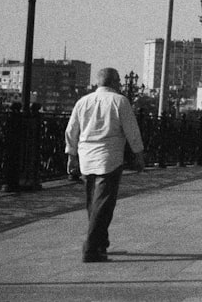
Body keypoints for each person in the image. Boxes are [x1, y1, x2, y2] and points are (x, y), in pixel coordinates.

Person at [65, 67, 145, 263]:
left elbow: (71, 130)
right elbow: (131, 131)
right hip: (109, 157)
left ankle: (101, 242)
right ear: (115, 82)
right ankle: (91, 248)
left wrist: (71, 155)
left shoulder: (83, 102)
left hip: (86, 157)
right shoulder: (120, 101)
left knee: (93, 202)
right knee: (103, 204)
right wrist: (139, 154)